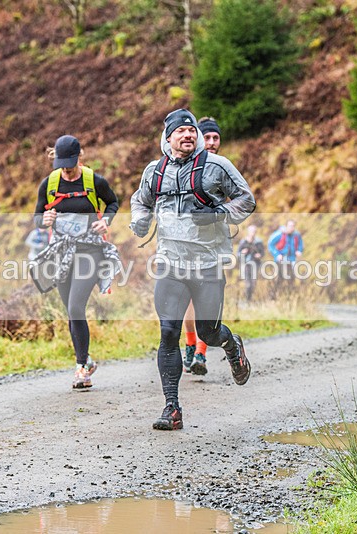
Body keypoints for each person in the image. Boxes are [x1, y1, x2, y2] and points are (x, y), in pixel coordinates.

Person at [130, 109, 255, 430]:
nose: (187, 135)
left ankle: (231, 345)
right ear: (168, 138)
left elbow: (246, 200)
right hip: (171, 264)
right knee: (168, 333)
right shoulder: (154, 172)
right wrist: (140, 220)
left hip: (208, 264)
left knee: (208, 332)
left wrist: (219, 212)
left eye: (192, 131)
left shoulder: (217, 166)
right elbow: (140, 200)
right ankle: (171, 409)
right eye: (180, 131)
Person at [34, 135, 120, 389]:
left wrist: (106, 221)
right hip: (61, 252)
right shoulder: (49, 184)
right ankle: (87, 361)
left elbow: (113, 202)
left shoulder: (94, 181)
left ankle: (81, 367)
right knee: (72, 312)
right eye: (62, 164)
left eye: (70, 163)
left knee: (75, 307)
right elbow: (38, 217)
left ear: (80, 156)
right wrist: (44, 220)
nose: (67, 169)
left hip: (90, 250)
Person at [180, 116, 223, 375]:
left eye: (216, 138)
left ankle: (201, 354)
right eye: (206, 137)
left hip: (213, 244)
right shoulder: (184, 164)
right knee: (187, 299)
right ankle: (190, 344)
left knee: (207, 298)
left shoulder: (222, 168)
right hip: (184, 242)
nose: (211, 142)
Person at [266, 219, 303, 297]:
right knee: (278, 280)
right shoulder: (279, 234)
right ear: (286, 226)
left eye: (293, 226)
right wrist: (277, 254)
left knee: (291, 280)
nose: (291, 228)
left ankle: (289, 298)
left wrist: (299, 251)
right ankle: (273, 297)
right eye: (290, 226)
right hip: (280, 260)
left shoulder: (296, 235)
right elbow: (270, 245)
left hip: (291, 260)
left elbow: (300, 244)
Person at [237, 224, 264, 302]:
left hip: (255, 264)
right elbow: (238, 254)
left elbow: (262, 253)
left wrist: (259, 255)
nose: (253, 232)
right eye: (252, 231)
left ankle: (250, 300)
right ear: (248, 232)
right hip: (246, 265)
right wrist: (242, 252)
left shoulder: (259, 242)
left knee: (253, 284)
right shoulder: (243, 242)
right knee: (248, 284)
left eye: (255, 231)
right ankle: (246, 300)